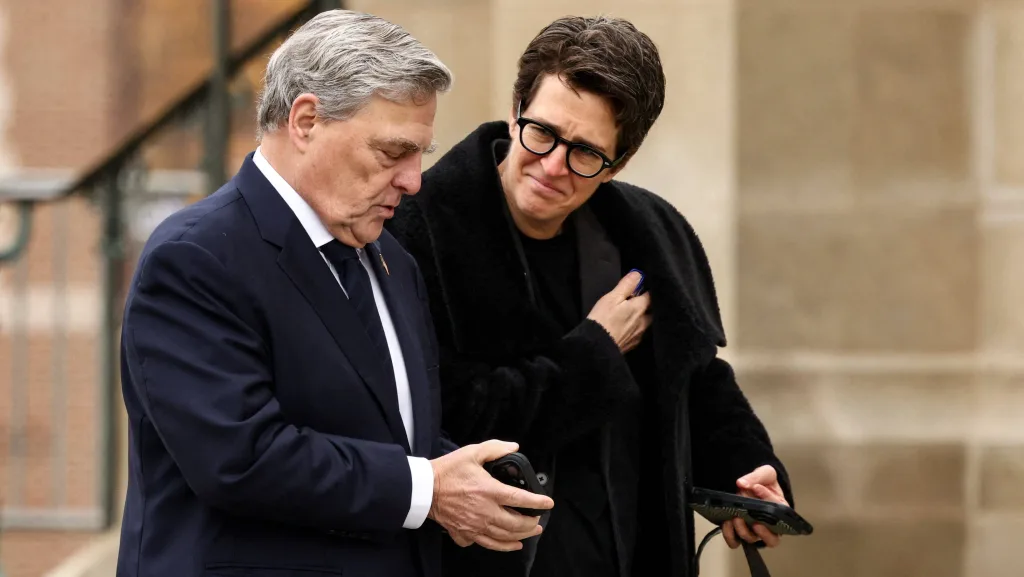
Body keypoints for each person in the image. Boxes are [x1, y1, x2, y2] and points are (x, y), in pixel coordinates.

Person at [115, 10, 553, 577]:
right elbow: (241, 460)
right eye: (392, 152)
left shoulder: (391, 257)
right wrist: (429, 488)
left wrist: (468, 475)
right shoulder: (196, 257)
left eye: (421, 153)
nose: (413, 180)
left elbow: (386, 435)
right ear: (305, 120)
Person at [387, 15, 795, 577]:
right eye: (543, 133)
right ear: (515, 109)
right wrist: (596, 351)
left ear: (619, 162)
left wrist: (747, 470)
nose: (552, 166)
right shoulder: (415, 233)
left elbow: (697, 385)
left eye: (585, 153)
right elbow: (442, 419)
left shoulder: (651, 233)